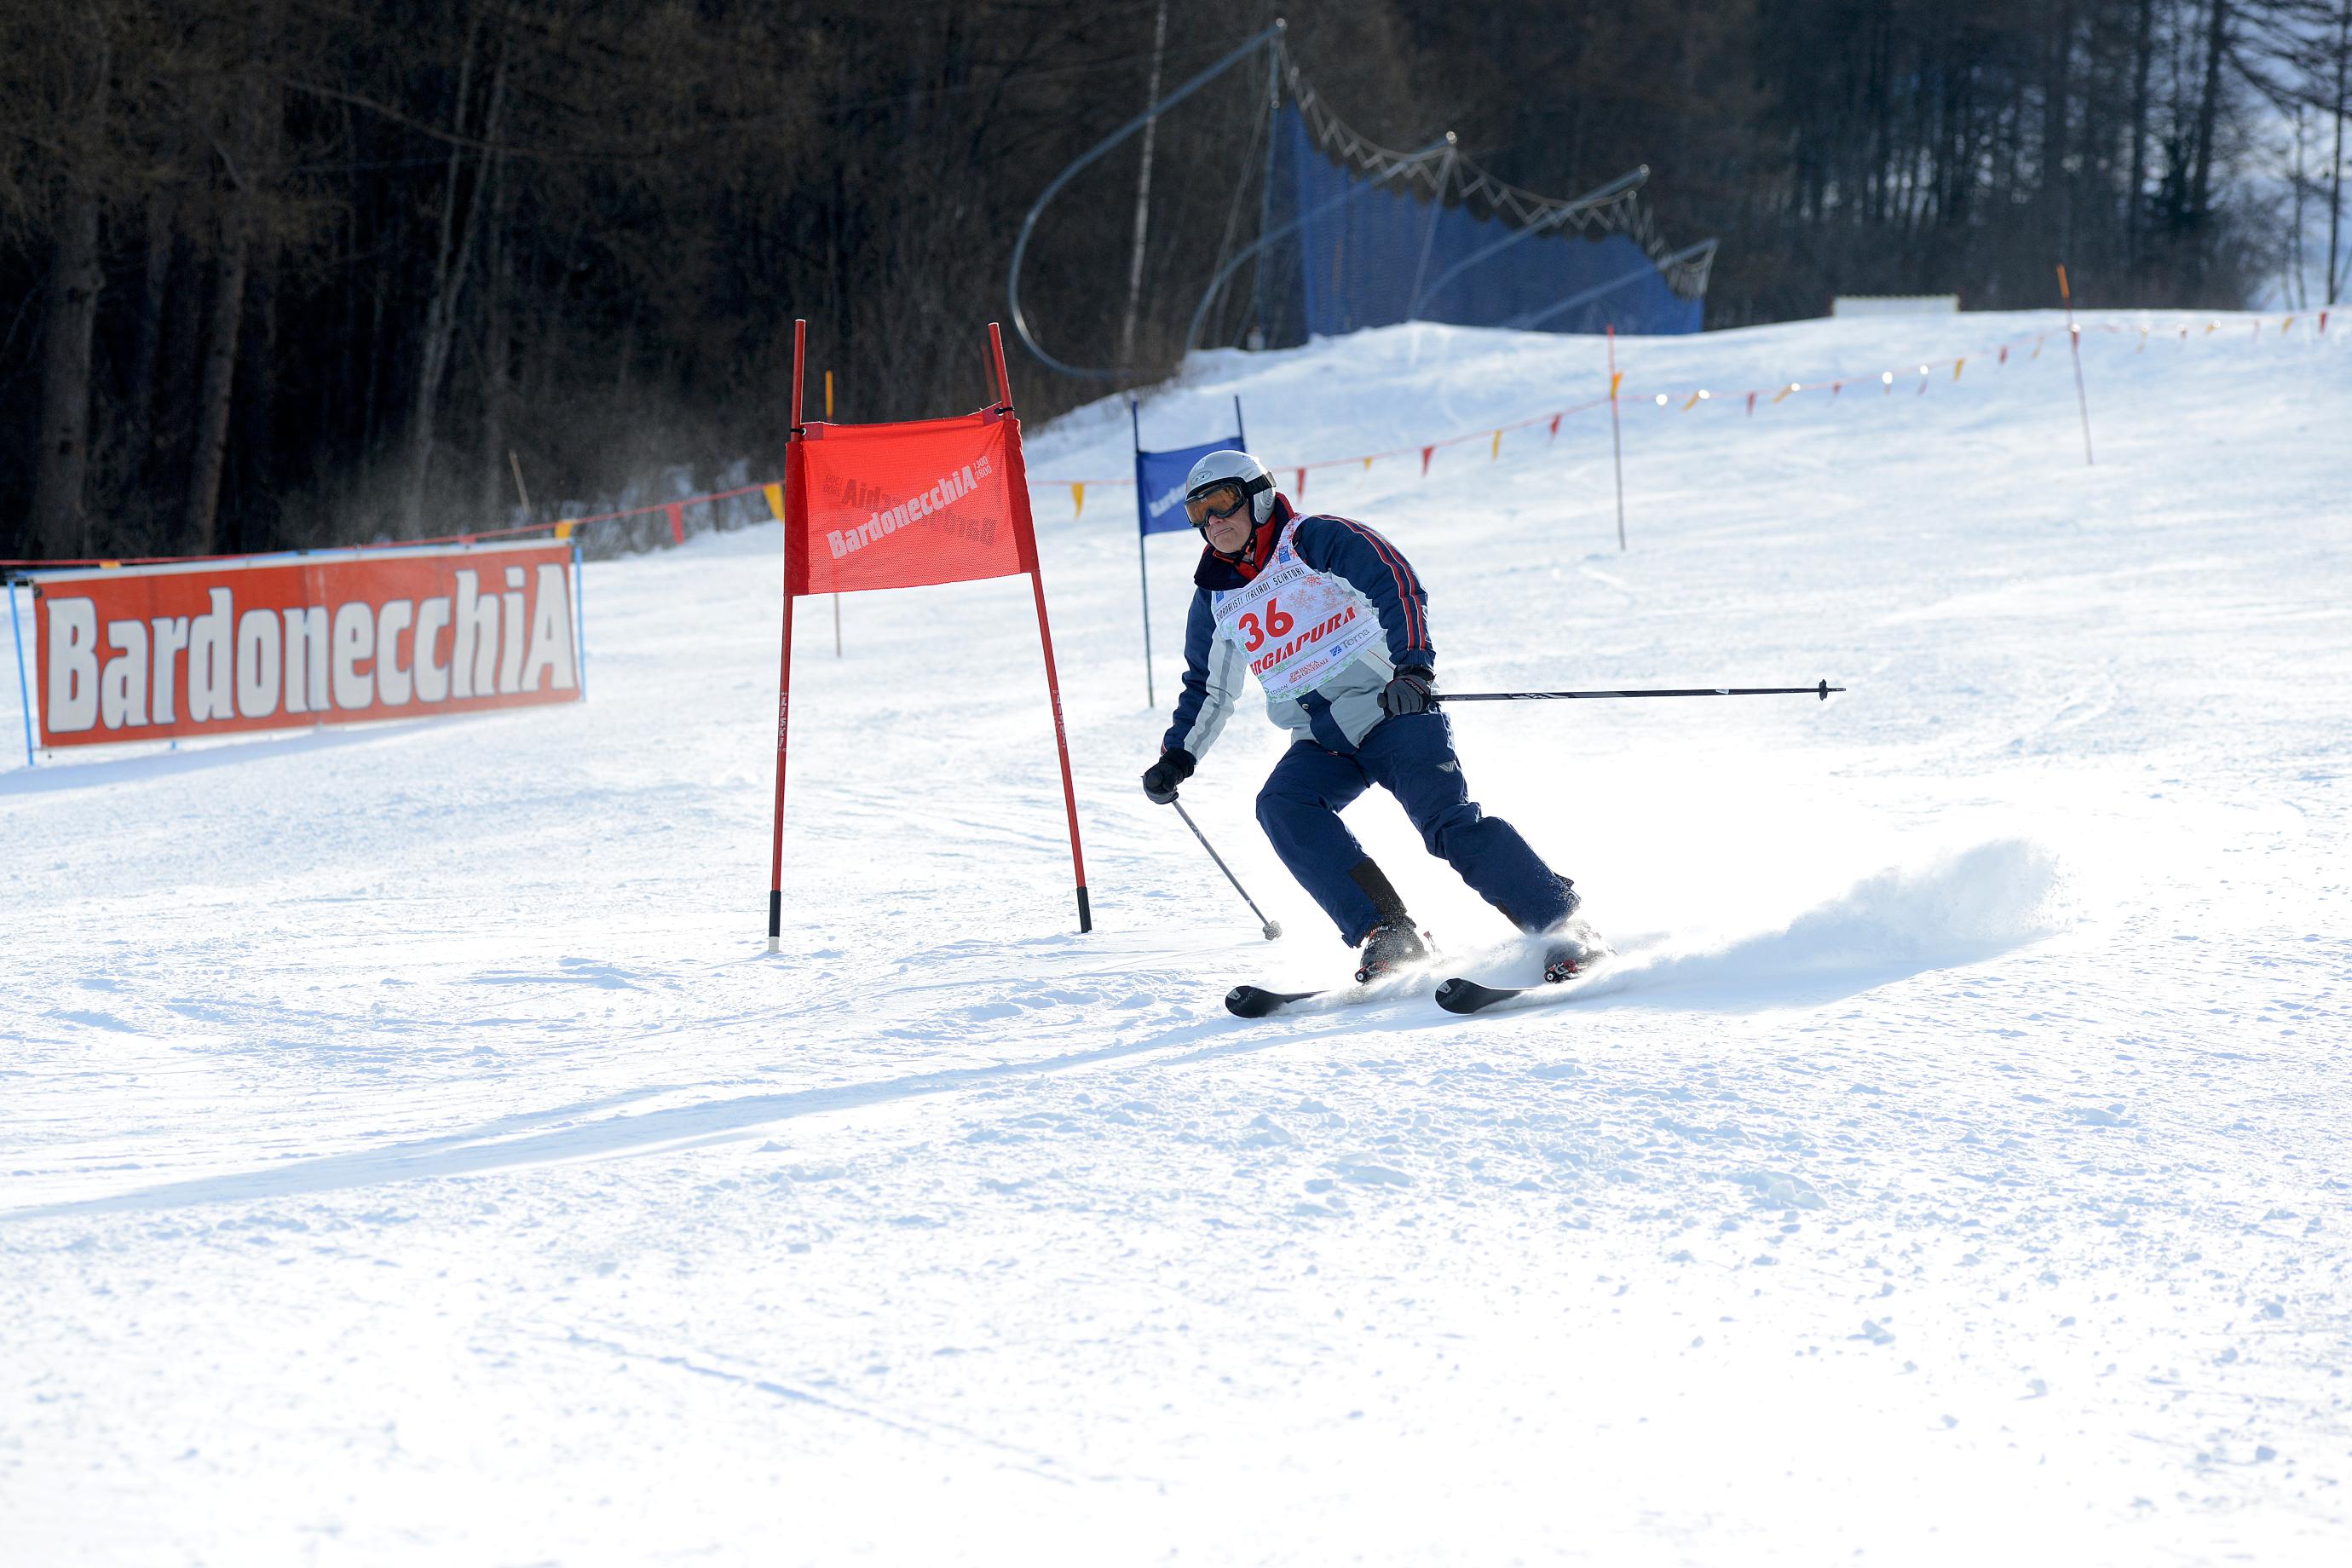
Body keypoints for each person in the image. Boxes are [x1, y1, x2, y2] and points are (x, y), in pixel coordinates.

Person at [1139, 449, 1588, 983]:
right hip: (1321, 737)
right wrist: (1178, 756)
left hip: (1392, 713)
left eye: (1221, 502)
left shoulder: (1315, 540)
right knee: (1283, 805)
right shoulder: (1215, 596)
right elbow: (1207, 686)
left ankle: (1563, 926)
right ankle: (1388, 934)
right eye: (1198, 513)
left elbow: (1395, 583)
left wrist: (1413, 669)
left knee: (1447, 826)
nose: (1213, 521)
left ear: (1257, 497)